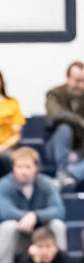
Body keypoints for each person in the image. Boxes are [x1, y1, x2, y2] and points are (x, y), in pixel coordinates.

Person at [0, 147, 67, 263]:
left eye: (27, 167)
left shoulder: (46, 183)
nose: (24, 171)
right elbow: (5, 212)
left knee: (58, 225)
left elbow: (59, 210)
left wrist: (35, 216)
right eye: (19, 167)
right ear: (13, 168)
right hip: (19, 233)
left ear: (36, 168)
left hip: (42, 232)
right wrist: (26, 217)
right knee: (7, 226)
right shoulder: (4, 184)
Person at [44, 60, 84, 189]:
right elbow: (58, 115)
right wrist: (80, 122)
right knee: (64, 128)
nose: (80, 85)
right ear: (67, 78)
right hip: (55, 149)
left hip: (81, 152)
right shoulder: (54, 94)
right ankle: (63, 174)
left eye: (83, 81)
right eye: (77, 80)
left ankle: (70, 176)